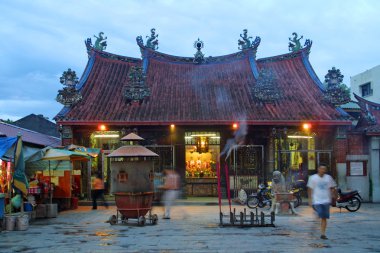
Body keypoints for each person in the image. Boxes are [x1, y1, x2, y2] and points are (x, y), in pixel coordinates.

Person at [307, 164, 337, 240]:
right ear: (318, 169)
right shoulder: (313, 178)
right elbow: (309, 189)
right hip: (317, 200)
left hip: (326, 200)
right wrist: (310, 199)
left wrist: (334, 194)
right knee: (320, 214)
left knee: (324, 217)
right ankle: (316, 220)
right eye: (321, 169)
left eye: (324, 169)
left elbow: (333, 187)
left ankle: (323, 234)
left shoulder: (328, 178)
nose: (323, 170)